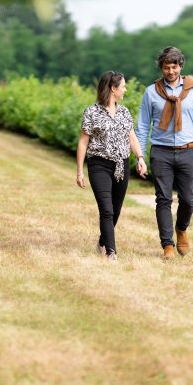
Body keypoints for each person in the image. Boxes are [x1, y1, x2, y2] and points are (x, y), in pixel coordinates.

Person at [136, 46, 193, 259]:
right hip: (160, 152)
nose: (170, 71)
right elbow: (142, 126)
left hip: (187, 151)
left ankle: (182, 228)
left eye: (174, 67)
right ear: (161, 68)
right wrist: (140, 156)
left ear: (181, 66)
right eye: (166, 67)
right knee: (163, 199)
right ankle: (167, 245)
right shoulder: (151, 92)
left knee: (189, 199)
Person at [76, 71, 147, 261]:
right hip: (99, 165)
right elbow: (83, 142)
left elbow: (131, 137)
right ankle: (111, 252)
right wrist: (80, 171)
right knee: (106, 209)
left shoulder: (124, 112)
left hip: (121, 165)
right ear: (113, 88)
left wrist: (140, 157)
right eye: (123, 86)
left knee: (115, 209)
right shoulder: (91, 112)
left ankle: (102, 241)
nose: (125, 89)